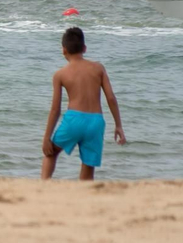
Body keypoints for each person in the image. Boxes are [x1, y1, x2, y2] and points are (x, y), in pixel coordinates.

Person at [41, 26, 126, 181]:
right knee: (88, 165)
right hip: (96, 121)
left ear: (63, 50)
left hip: (74, 119)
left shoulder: (60, 74)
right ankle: (84, 196)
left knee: (50, 153)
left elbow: (55, 109)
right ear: (84, 48)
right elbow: (111, 98)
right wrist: (118, 125)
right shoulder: (98, 68)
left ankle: (43, 186)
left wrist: (47, 137)